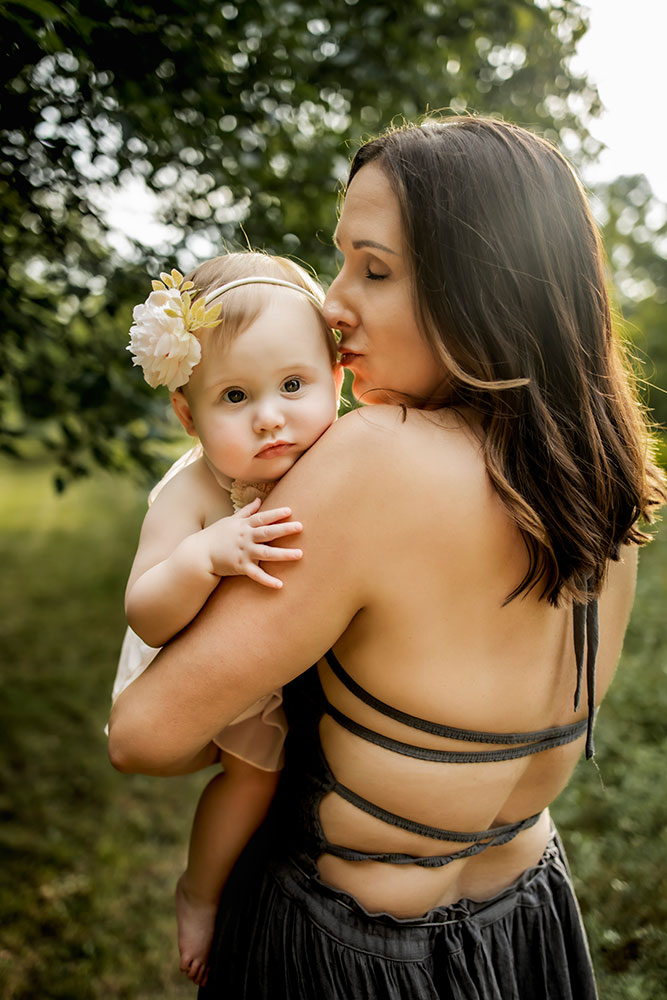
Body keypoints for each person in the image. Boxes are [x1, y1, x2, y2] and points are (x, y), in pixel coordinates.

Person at [108, 117, 666, 999]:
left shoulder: (375, 457)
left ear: (479, 287)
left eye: (374, 268)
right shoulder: (607, 479)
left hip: (355, 954)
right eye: (340, 263)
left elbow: (145, 736)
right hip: (529, 925)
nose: (333, 303)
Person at [111, 251, 340, 986]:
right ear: (188, 412)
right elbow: (145, 611)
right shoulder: (197, 490)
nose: (271, 416)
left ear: (338, 378)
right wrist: (203, 557)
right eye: (235, 396)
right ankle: (198, 894)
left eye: (294, 385)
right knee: (250, 778)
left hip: (287, 648)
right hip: (196, 660)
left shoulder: (334, 451)